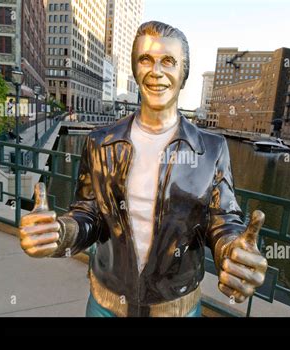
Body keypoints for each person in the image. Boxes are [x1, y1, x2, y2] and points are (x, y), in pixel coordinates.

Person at [19, 21, 268, 317]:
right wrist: (61, 234)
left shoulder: (212, 149)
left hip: (176, 308)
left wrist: (232, 252)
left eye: (169, 62)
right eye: (146, 60)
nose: (156, 71)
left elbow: (222, 220)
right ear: (136, 69)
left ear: (183, 74)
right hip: (106, 304)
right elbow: (88, 214)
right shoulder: (100, 142)